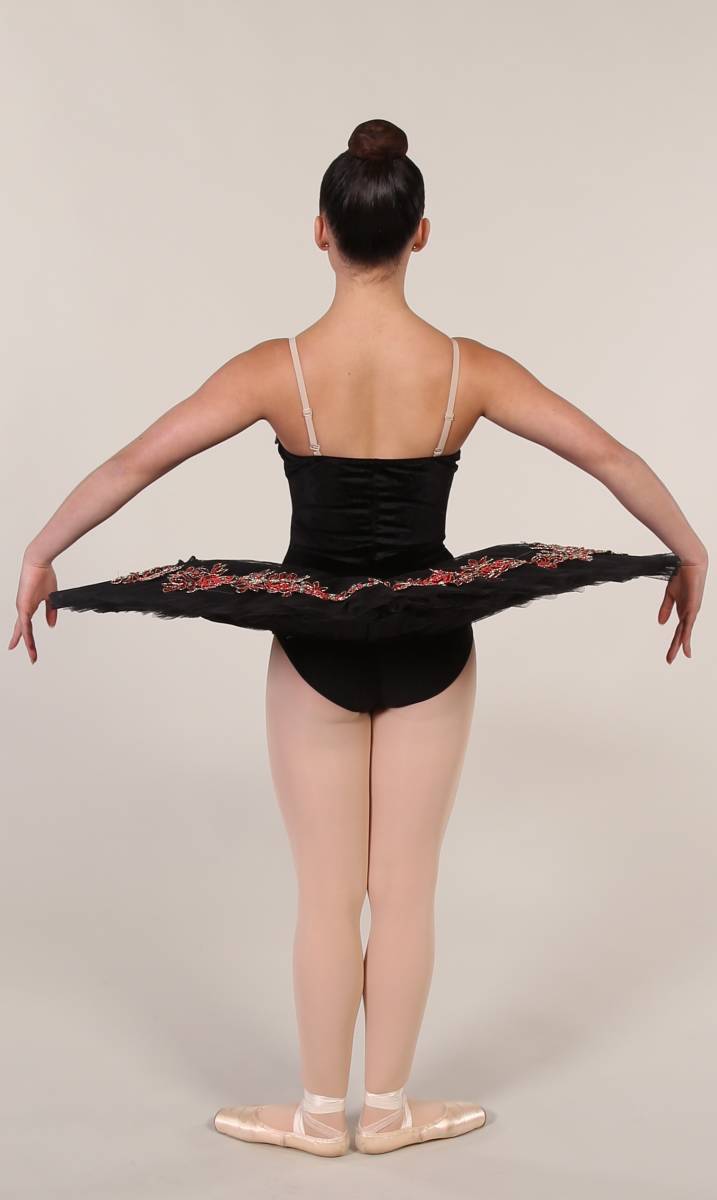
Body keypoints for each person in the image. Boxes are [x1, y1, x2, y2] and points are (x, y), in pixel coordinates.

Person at [10, 118, 708, 1158]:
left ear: (320, 232)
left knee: (327, 895)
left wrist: (39, 552)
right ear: (420, 234)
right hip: (436, 646)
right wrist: (688, 550)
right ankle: (385, 1113)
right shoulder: (467, 368)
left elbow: (134, 462)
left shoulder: (277, 369)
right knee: (406, 890)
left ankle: (315, 1116)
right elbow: (608, 456)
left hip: (312, 648)